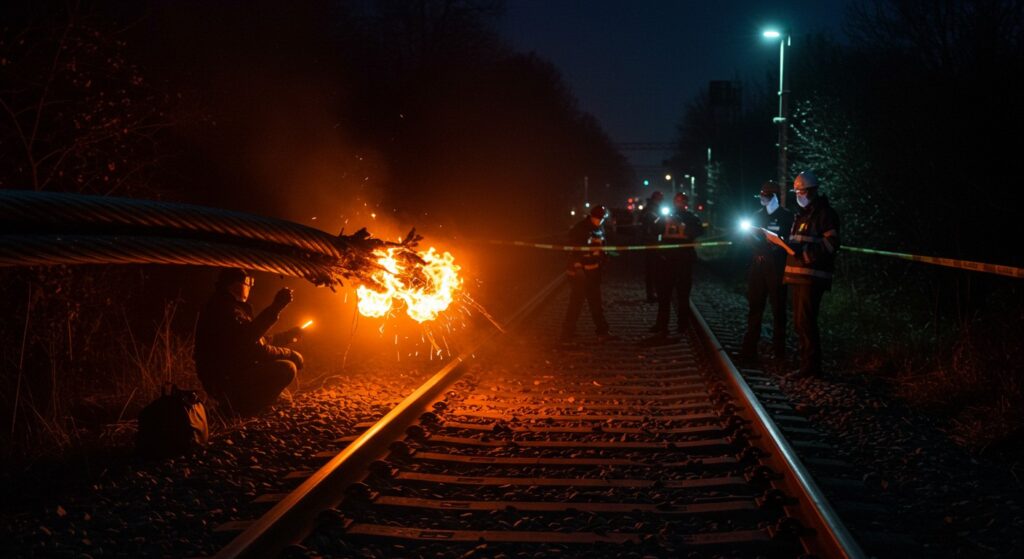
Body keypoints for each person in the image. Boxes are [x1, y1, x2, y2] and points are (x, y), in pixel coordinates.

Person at [194, 268, 305, 415]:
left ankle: (243, 405)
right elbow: (254, 348)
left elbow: (257, 339)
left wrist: (289, 336)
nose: (250, 287)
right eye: (249, 283)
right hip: (225, 381)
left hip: (224, 378)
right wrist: (290, 354)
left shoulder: (226, 306)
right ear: (235, 285)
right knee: (287, 368)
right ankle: (243, 408)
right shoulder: (225, 310)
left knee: (281, 365)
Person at [765, 171, 840, 379]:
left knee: (806, 321)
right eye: (796, 191)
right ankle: (806, 363)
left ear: (812, 191)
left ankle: (811, 366)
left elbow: (832, 243)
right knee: (799, 321)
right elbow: (798, 242)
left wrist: (806, 255)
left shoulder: (825, 214)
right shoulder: (801, 215)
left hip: (812, 276)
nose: (798, 194)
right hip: (798, 275)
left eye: (801, 191)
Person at [740, 181, 794, 363]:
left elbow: (789, 241)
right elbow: (748, 238)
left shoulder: (787, 217)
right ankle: (749, 351)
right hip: (758, 266)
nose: (762, 198)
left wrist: (775, 248)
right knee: (755, 307)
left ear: (774, 196)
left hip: (777, 268)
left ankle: (779, 353)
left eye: (766, 195)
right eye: (762, 195)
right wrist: (762, 248)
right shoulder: (756, 216)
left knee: (778, 309)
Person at [651, 192, 704, 336]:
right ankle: (662, 325)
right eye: (677, 201)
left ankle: (682, 326)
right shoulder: (666, 216)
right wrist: (664, 220)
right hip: (667, 260)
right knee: (664, 295)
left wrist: (684, 226)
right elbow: (654, 228)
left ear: (685, 203)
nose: (679, 203)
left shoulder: (691, 218)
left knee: (683, 296)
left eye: (682, 201)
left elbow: (699, 230)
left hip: (684, 261)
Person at [560, 205, 614, 343]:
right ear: (592, 217)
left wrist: (604, 259)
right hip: (580, 273)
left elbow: (601, 247)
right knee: (576, 303)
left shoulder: (599, 229)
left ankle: (602, 331)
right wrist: (577, 268)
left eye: (602, 219)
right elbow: (573, 251)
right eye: (599, 219)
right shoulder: (580, 229)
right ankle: (567, 333)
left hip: (593, 272)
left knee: (596, 303)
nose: (600, 221)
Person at [637, 191, 665, 302]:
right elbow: (655, 224)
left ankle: (653, 293)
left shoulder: (651, 209)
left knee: (654, 269)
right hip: (652, 242)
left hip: (653, 241)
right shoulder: (651, 210)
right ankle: (652, 294)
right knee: (653, 269)